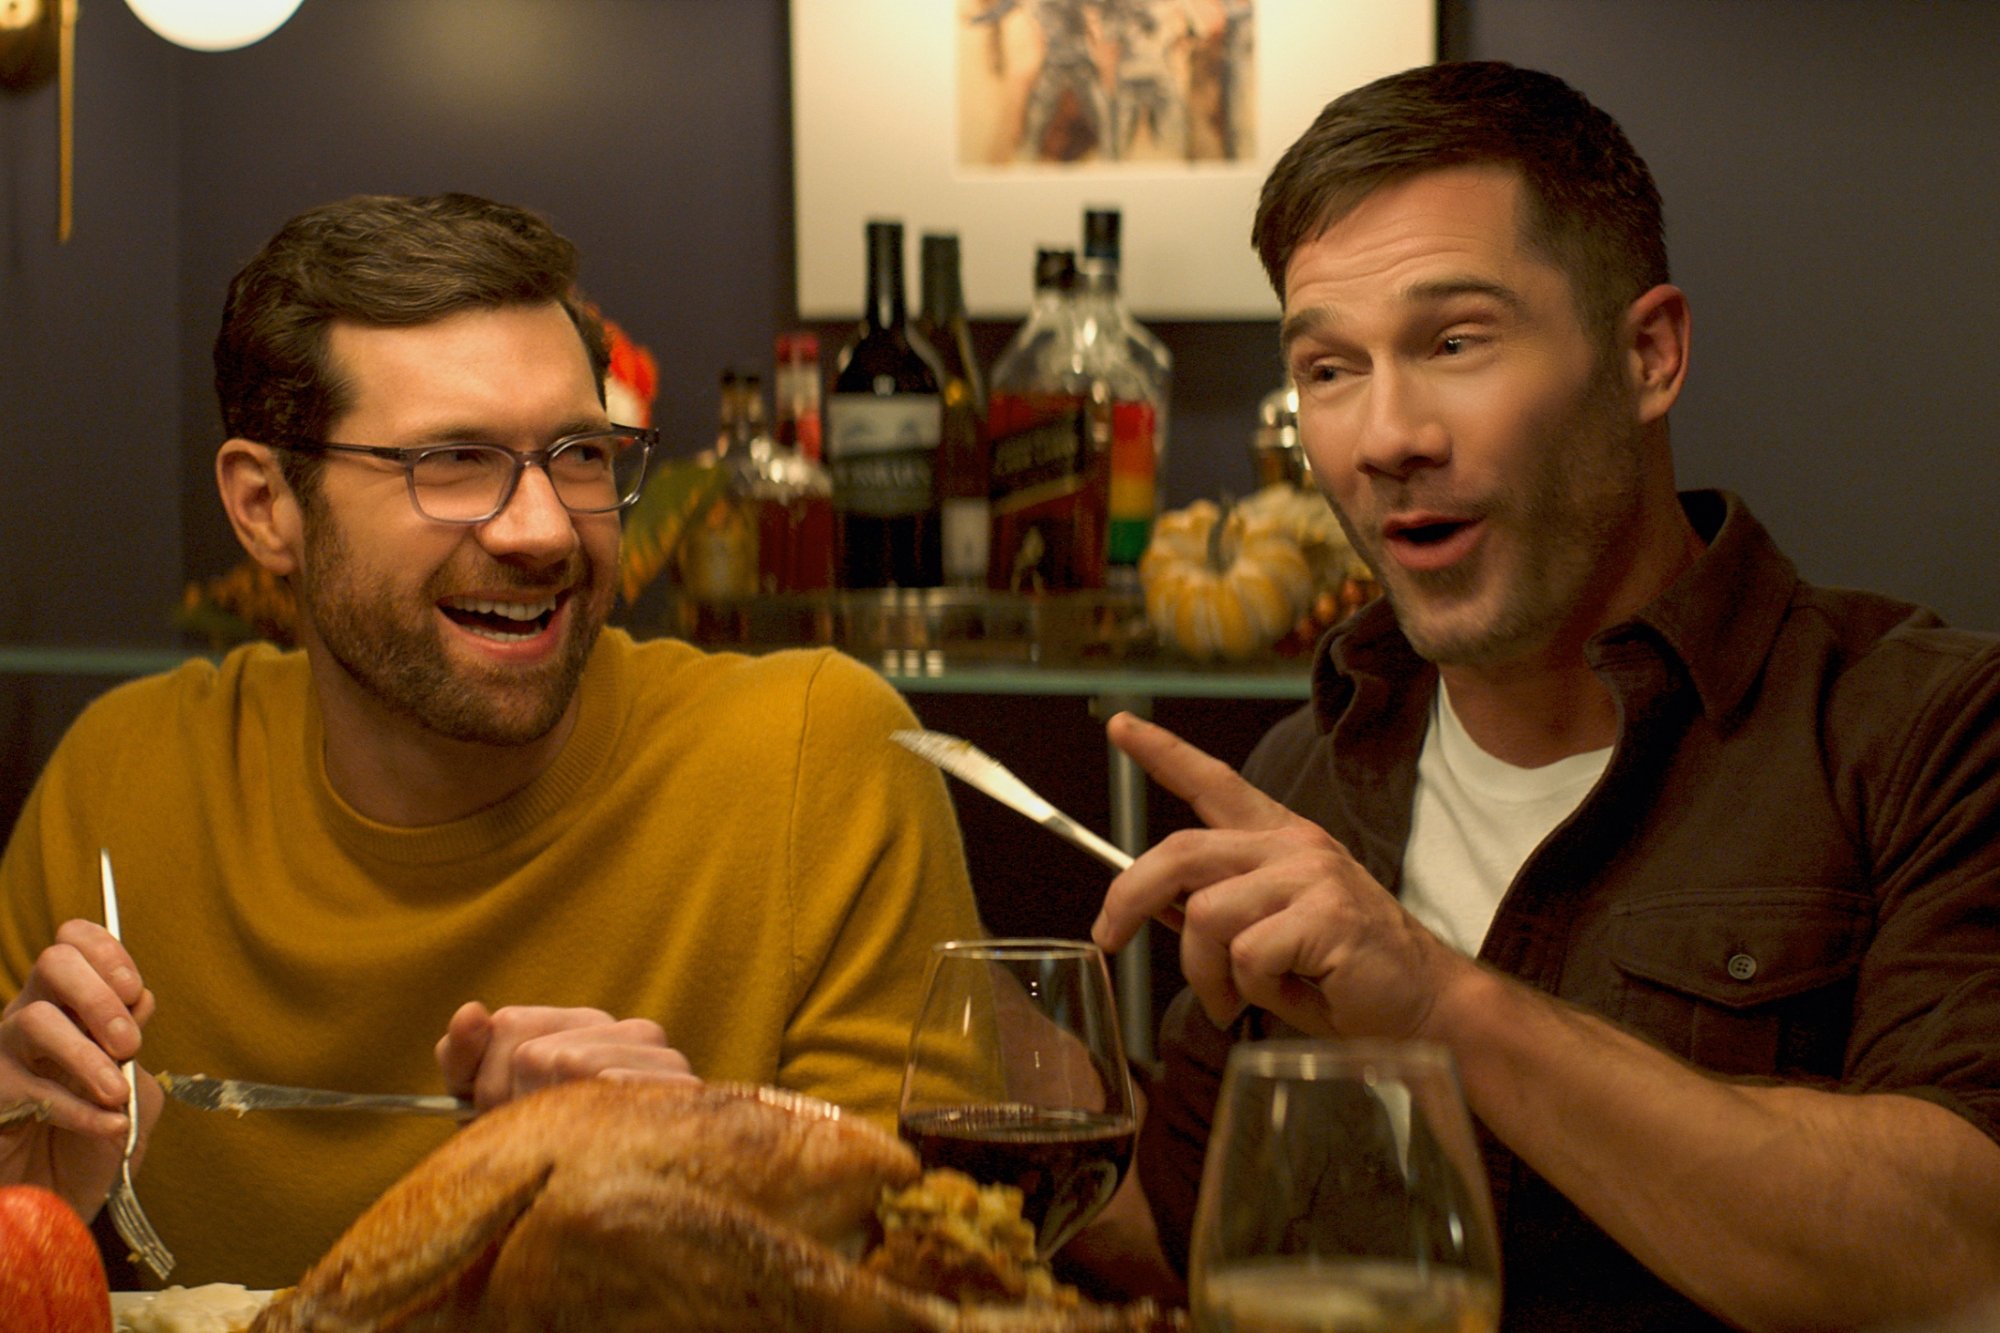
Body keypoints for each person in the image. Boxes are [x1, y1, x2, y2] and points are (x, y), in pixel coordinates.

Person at [1092, 61, 2000, 1331]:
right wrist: (847, 1121)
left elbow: (1957, 1257)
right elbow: (1182, 1230)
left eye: (1453, 341)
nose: (1381, 435)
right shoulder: (1314, 765)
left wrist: (1434, 999)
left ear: (1648, 354)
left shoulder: (1928, 732)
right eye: (1329, 368)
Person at [0, 193, 983, 1289]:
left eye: (578, 452)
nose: (544, 528)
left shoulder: (814, 760)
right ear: (265, 504)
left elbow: (946, 1274)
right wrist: (21, 1200)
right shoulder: (121, 785)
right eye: (453, 462)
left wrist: (699, 1177)